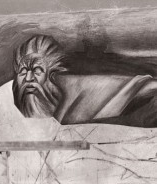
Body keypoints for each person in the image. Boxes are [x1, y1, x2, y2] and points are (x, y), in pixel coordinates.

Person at [12, 34, 157, 127]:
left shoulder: (76, 86)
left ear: (51, 73)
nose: (28, 78)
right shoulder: (10, 102)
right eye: (23, 72)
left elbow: (144, 87)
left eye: (37, 70)